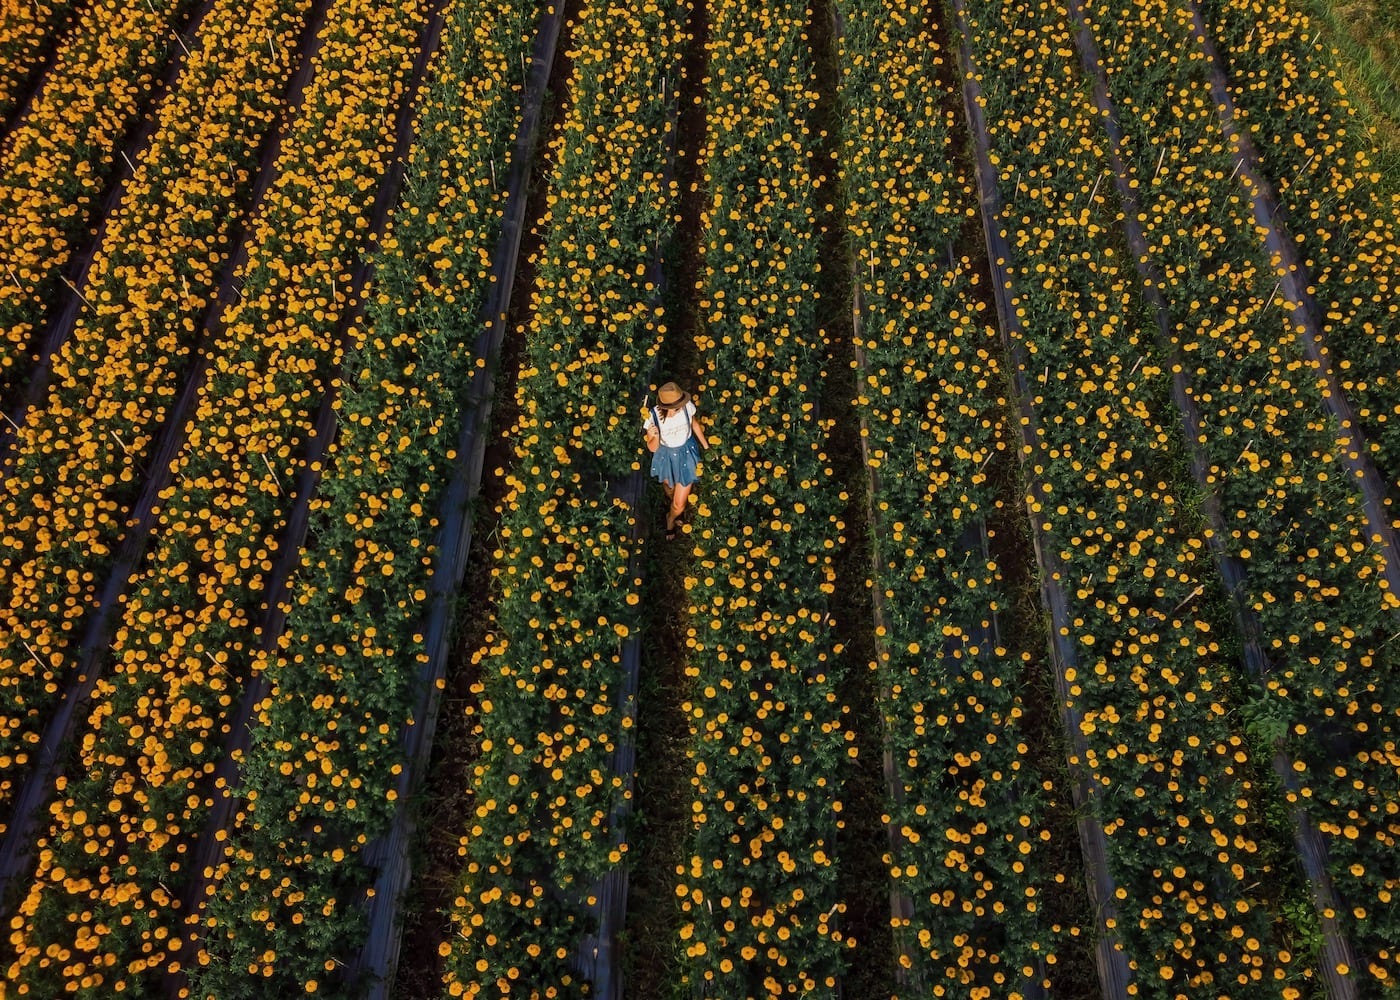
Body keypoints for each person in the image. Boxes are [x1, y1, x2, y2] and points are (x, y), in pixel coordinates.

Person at [643, 381, 709, 540]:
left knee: (680, 504)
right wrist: (654, 436)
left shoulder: (686, 406)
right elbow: (652, 448)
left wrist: (706, 446)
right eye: (677, 405)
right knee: (670, 488)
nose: (681, 406)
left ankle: (670, 519)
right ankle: (672, 507)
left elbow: (693, 423)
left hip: (686, 453)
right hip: (665, 456)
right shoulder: (653, 417)